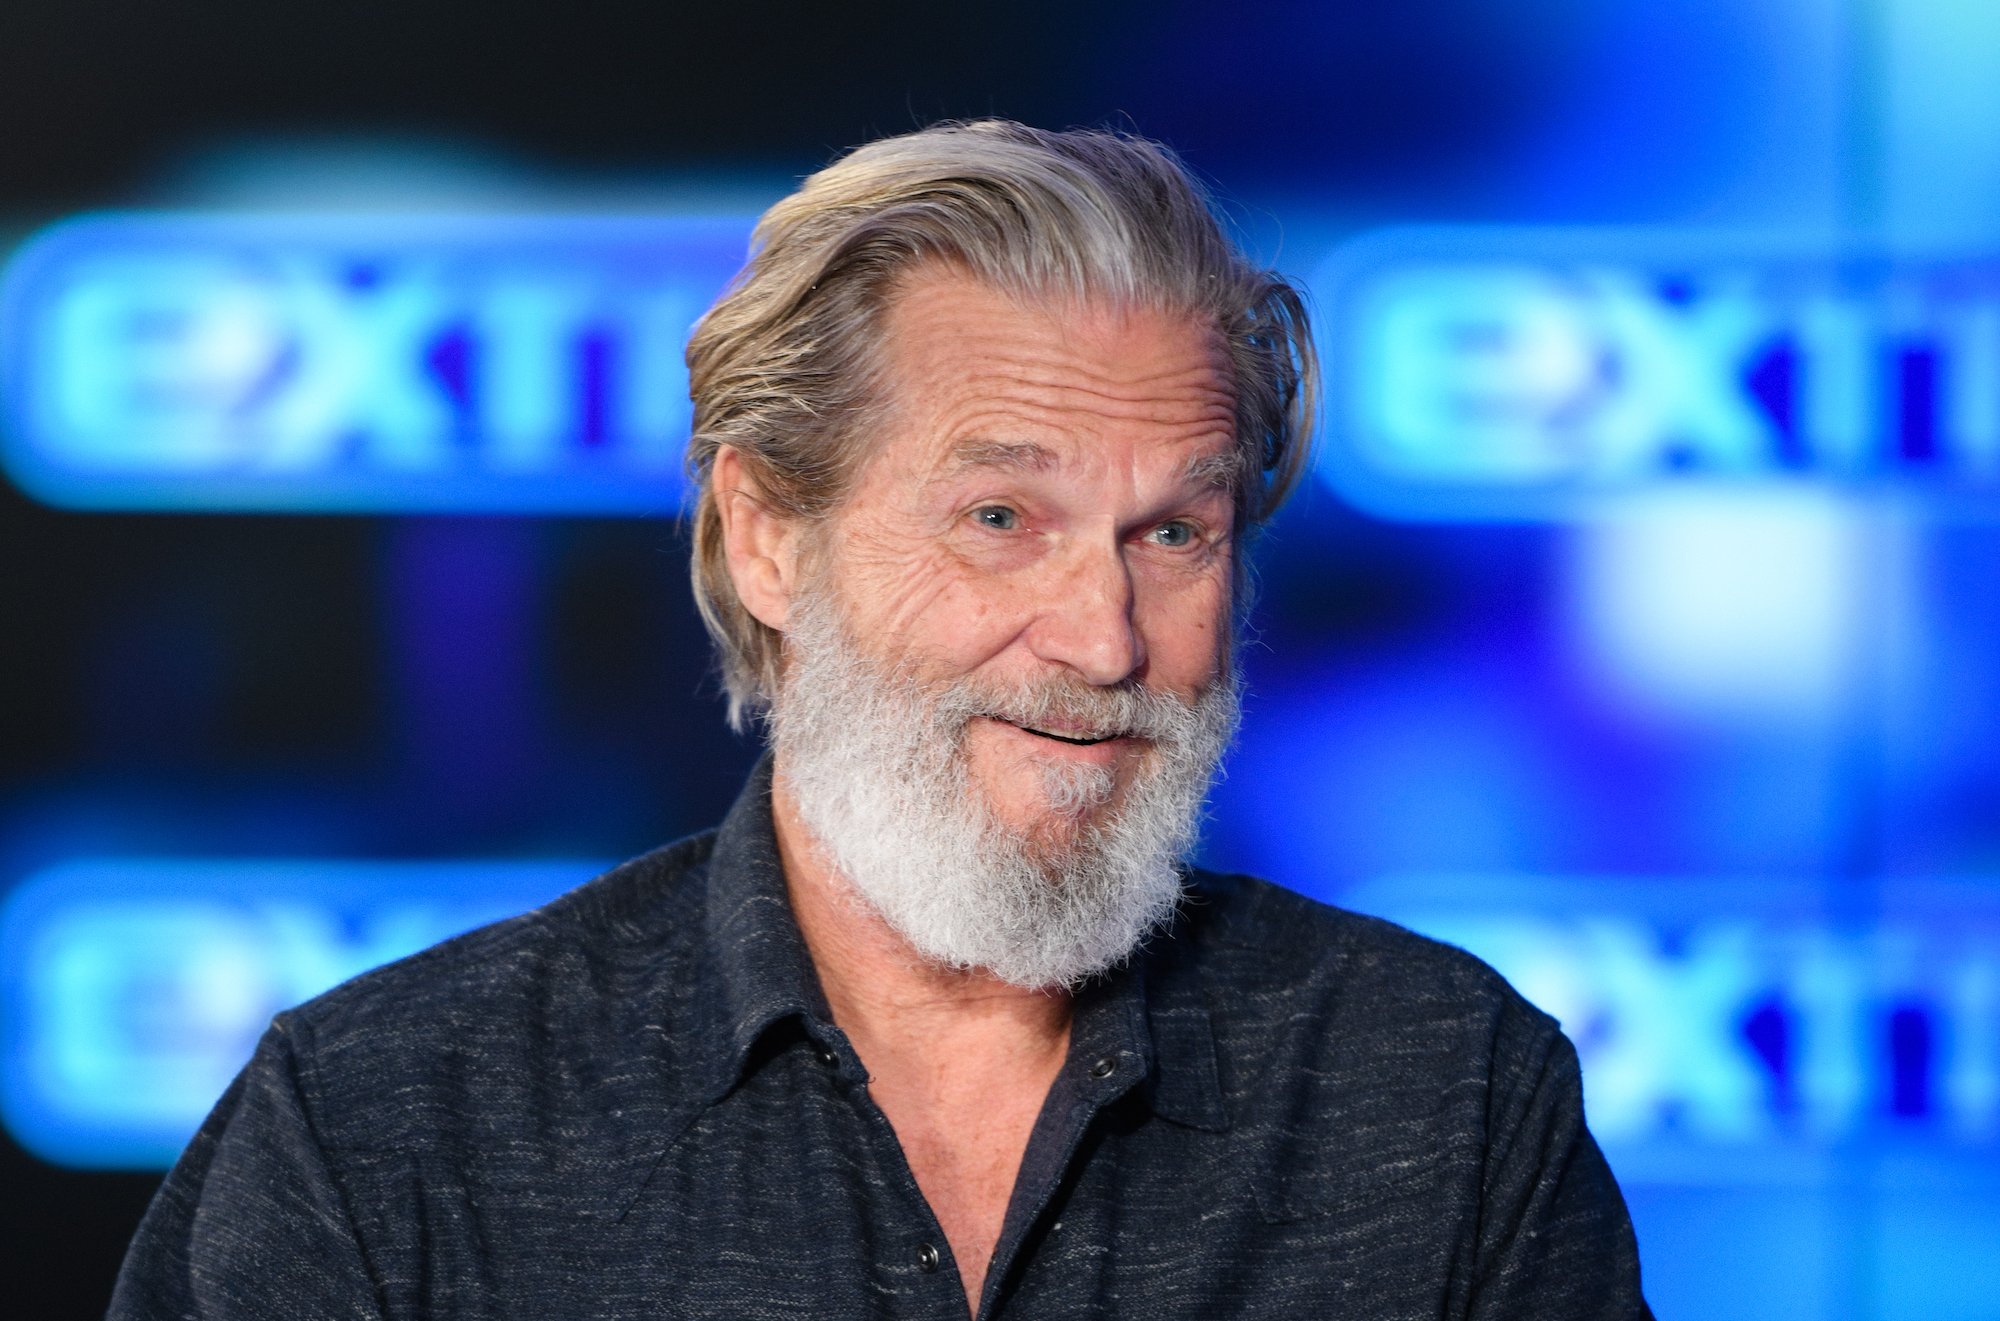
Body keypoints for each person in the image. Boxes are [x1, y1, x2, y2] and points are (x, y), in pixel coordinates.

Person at [110, 120, 1649, 1319]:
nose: (1105, 636)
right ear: (767, 539)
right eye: (1000, 518)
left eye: (1176, 532)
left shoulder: (1447, 1096)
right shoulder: (382, 1130)